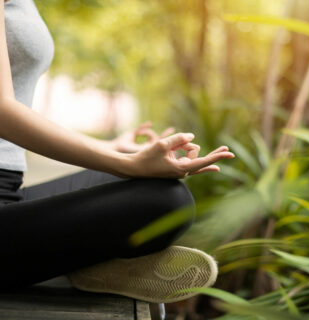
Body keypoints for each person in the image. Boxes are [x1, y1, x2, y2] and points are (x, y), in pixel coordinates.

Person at [0, 0, 234, 303]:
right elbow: (3, 112)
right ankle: (82, 260)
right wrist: (128, 163)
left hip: (10, 193)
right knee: (166, 202)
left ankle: (77, 262)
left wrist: (109, 148)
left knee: (154, 190)